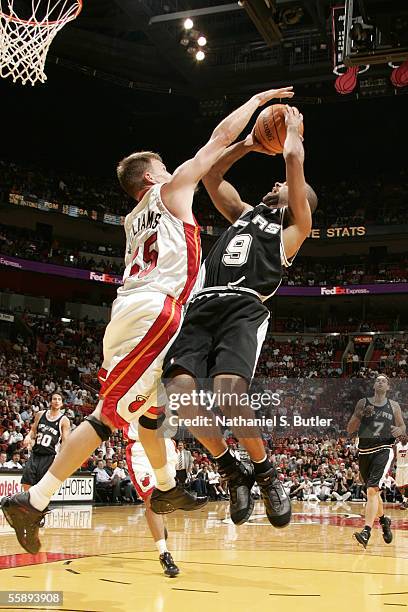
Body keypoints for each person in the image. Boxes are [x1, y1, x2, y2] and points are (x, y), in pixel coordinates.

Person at [1, 84, 295, 554]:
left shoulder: (131, 218)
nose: (172, 169)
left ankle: (165, 487)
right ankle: (33, 501)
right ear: (150, 178)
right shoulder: (171, 191)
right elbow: (218, 139)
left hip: (133, 310)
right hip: (157, 312)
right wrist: (256, 107)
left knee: (152, 412)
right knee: (106, 416)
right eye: (162, 166)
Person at [161, 106, 316, 529]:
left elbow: (293, 165)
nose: (278, 184)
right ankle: (232, 470)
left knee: (229, 392)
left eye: (284, 187)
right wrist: (248, 144)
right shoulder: (244, 214)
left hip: (244, 306)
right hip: (203, 302)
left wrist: (293, 135)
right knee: (178, 393)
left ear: (297, 201)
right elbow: (212, 177)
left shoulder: (293, 228)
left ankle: (266, 473)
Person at [347, 374, 406, 548]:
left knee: (372, 489)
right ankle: (383, 520)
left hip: (384, 449)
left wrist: (399, 430)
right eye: (377, 380)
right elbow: (350, 428)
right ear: (374, 385)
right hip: (364, 451)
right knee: (373, 493)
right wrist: (360, 415)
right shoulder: (363, 403)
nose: (380, 382)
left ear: (388, 387)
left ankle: (366, 532)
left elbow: (402, 428)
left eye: (383, 381)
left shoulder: (394, 406)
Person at [124, 422, 179, 577]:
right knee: (151, 500)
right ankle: (164, 553)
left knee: (165, 495)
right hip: (141, 447)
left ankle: (159, 524)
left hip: (166, 444)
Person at [20, 393, 71, 491]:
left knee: (43, 485)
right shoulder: (40, 414)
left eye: (59, 399)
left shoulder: (64, 420)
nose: (56, 401)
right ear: (50, 401)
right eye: (54, 399)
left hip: (49, 456)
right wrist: (28, 437)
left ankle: (41, 505)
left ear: (62, 403)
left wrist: (60, 458)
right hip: (35, 453)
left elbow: (65, 441)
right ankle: (28, 502)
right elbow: (33, 430)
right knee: (26, 480)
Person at [395, 434, 408, 509]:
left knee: (407, 485)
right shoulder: (397, 446)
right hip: (399, 467)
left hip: (407, 467)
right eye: (402, 437)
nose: (403, 438)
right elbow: (394, 456)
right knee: (399, 486)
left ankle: (404, 501)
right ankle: (405, 499)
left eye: (404, 436)